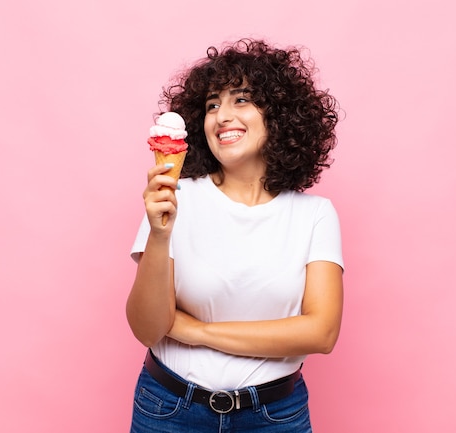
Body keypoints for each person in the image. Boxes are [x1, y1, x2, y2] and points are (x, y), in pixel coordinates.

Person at [126, 38, 344, 432]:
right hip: (170, 410)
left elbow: (321, 331)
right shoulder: (174, 198)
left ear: (278, 115)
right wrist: (159, 237)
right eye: (212, 105)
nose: (222, 116)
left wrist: (198, 331)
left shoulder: (315, 215)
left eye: (241, 100)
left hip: (275, 416)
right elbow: (148, 328)